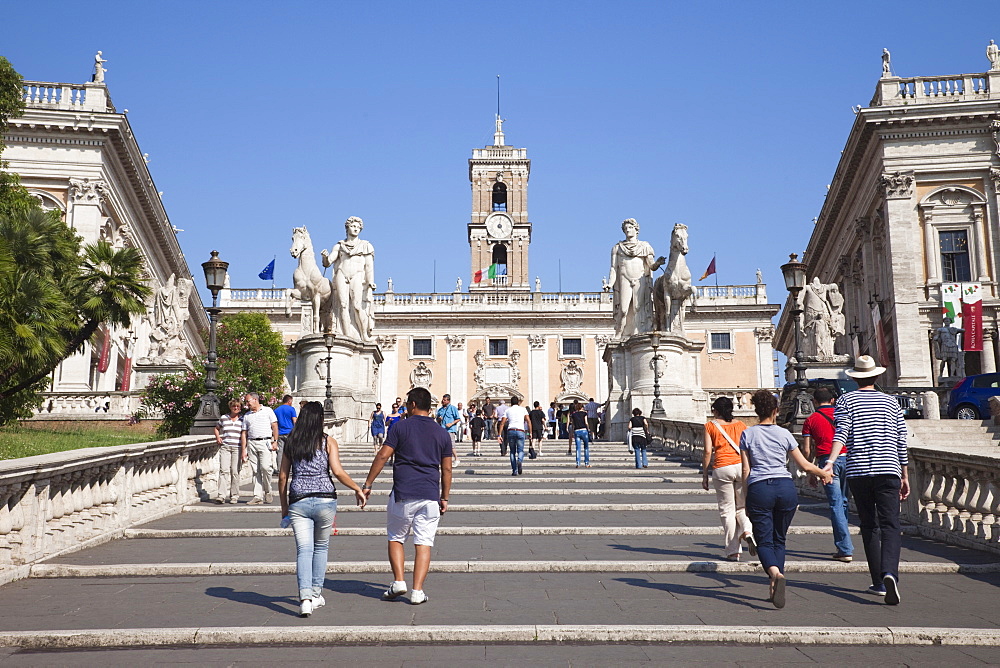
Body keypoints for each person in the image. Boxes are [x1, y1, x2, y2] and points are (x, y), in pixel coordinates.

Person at [823, 355, 909, 605]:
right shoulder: (891, 402)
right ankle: (890, 572)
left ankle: (879, 583)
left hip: (859, 471)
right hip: (888, 469)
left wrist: (830, 461)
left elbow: (841, 433)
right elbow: (901, 440)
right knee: (891, 524)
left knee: (869, 524)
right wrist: (904, 474)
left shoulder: (846, 400)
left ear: (855, 377)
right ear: (876, 376)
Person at [361, 387, 453, 605]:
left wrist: (368, 483)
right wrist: (445, 497)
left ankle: (399, 581)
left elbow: (383, 455)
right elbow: (447, 469)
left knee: (396, 537)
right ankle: (417, 591)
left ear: (412, 405)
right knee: (424, 543)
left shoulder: (400, 427)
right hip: (430, 495)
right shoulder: (442, 433)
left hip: (403, 492)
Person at [741, 390, 832, 608]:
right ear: (776, 410)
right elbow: (804, 465)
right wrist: (823, 474)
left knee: (764, 541)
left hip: (759, 488)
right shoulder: (784, 434)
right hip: (785, 488)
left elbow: (746, 469)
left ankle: (774, 574)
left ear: (756, 410)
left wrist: (745, 498)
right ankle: (774, 583)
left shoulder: (747, 434)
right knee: (780, 538)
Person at [278, 402, 366, 617]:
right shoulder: (328, 441)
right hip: (326, 500)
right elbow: (337, 471)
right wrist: (357, 488)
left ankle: (305, 598)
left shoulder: (291, 442)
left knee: (303, 550)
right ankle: (316, 594)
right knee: (321, 548)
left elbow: (282, 477)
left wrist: (284, 508)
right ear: (320, 420)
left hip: (298, 500)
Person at [802, 387, 853, 563]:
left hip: (826, 463)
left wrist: (810, 470)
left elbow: (808, 449)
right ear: (832, 400)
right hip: (849, 459)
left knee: (836, 504)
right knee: (844, 502)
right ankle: (844, 542)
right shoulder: (842, 415)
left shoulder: (810, 420)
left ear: (814, 402)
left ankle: (844, 547)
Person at [701, 397, 753, 561]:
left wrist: (704, 474)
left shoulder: (710, 426)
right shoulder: (741, 425)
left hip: (722, 468)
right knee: (742, 506)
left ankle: (733, 551)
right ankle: (747, 531)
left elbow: (708, 452)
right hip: (740, 466)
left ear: (715, 410)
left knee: (727, 510)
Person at [320, 216, 376, 341]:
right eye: (353, 226)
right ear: (347, 228)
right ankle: (346, 336)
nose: (355, 229)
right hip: (341, 273)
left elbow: (369, 266)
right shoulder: (339, 245)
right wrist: (325, 257)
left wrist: (370, 283)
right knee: (342, 305)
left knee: (357, 306)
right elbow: (328, 262)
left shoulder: (366, 245)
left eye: (358, 227)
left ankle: (363, 335)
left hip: (357, 275)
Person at [609, 218, 665, 338]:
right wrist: (609, 283)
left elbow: (651, 265)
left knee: (638, 308)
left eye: (630, 228)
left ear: (636, 229)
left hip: (640, 279)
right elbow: (614, 268)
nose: (627, 230)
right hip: (624, 279)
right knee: (623, 310)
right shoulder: (617, 248)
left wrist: (658, 263)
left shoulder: (644, 246)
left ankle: (638, 332)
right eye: (625, 229)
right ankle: (620, 332)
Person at [240, 392, 279, 505]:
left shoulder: (268, 411)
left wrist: (275, 441)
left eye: (248, 401)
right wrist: (244, 449)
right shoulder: (247, 415)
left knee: (266, 468)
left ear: (255, 400)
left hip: (265, 441)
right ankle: (257, 496)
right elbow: (244, 433)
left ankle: (267, 490)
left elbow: (275, 426)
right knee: (255, 470)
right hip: (251, 442)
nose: (247, 404)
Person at [214, 400, 244, 504]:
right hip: (226, 446)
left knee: (235, 472)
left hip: (237, 447)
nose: (236, 408)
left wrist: (245, 449)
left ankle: (234, 495)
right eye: (234, 406)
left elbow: (245, 434)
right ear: (230, 407)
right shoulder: (224, 418)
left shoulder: (243, 419)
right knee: (224, 470)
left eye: (238, 406)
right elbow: (217, 428)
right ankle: (221, 495)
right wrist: (218, 437)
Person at [498, 396, 530, 475]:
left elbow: (502, 423)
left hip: (511, 430)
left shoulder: (508, 410)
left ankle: (514, 470)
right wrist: (530, 433)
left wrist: (499, 435)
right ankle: (519, 460)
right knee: (520, 450)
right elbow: (528, 421)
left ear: (511, 403)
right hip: (520, 430)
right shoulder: (523, 409)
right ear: (518, 402)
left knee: (512, 451)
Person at [273, 395, 297, 474]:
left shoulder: (276, 410)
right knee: (291, 451)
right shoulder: (291, 409)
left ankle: (280, 469)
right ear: (289, 401)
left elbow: (274, 423)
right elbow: (294, 421)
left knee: (280, 452)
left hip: (280, 433)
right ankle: (291, 469)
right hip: (290, 433)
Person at [436, 394, 462, 465]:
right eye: (443, 400)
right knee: (441, 445)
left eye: (444, 400)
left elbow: (458, 418)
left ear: (448, 401)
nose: (443, 401)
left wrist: (451, 423)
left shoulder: (453, 408)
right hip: (442, 429)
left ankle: (456, 458)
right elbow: (437, 420)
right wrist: (439, 419)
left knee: (451, 444)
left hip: (450, 430)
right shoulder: (440, 410)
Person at [567, 402, 591, 468]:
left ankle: (578, 463)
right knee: (586, 447)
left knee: (578, 448)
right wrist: (588, 429)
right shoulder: (584, 413)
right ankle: (587, 463)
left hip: (576, 431)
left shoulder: (573, 414)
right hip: (584, 430)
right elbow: (586, 422)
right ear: (582, 407)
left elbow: (573, 424)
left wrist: (572, 432)